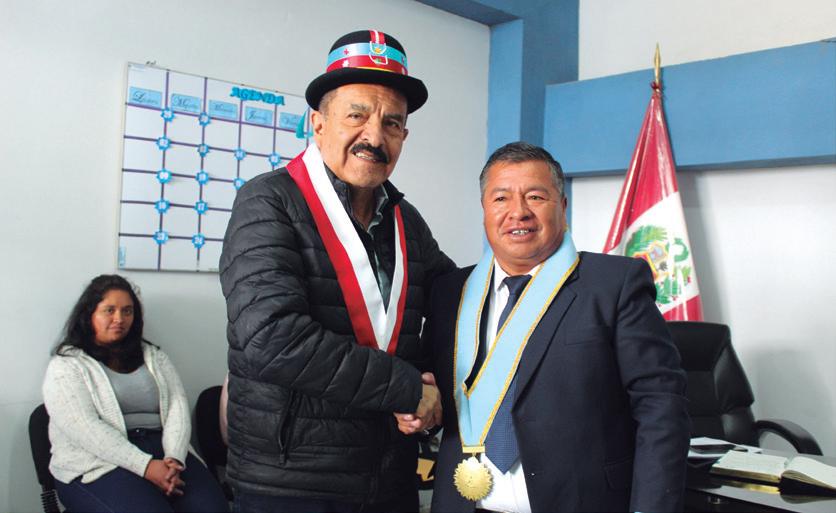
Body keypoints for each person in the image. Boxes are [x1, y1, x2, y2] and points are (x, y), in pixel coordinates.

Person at [219, 30, 456, 513]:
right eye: (356, 115)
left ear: (404, 137)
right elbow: (272, 339)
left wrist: (534, 272)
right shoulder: (267, 202)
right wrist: (409, 388)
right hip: (293, 481)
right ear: (318, 123)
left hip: (389, 473)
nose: (374, 136)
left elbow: (453, 302)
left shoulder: (406, 221)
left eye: (392, 123)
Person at [411, 142, 690, 512]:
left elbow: (661, 407)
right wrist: (419, 411)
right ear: (484, 210)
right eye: (501, 198)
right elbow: (435, 396)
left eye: (535, 197)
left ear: (562, 206)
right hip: (463, 502)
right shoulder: (450, 292)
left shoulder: (614, 285)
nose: (518, 212)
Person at [42, 274, 229, 513]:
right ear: (89, 315)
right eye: (109, 310)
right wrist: (146, 467)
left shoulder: (153, 356)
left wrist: (174, 458)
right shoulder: (66, 365)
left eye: (127, 311)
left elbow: (177, 407)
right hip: (96, 461)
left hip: (164, 449)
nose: (119, 319)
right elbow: (86, 429)